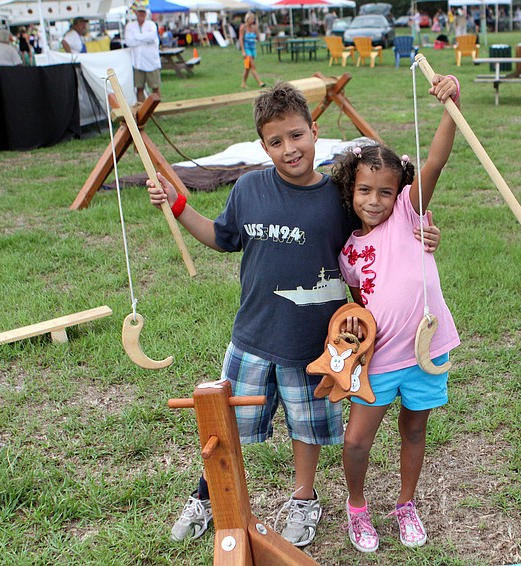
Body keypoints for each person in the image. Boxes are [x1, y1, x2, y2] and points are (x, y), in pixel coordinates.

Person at [145, 82, 441, 546]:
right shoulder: (248, 188)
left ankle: (304, 498)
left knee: (306, 429)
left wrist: (423, 231)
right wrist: (179, 204)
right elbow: (221, 237)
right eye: (276, 141)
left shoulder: (339, 199)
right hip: (252, 335)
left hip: (312, 342)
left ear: (315, 131)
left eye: (297, 135)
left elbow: (381, 222)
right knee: (228, 427)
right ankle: (206, 494)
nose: (289, 149)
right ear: (262, 146)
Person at [331, 74, 460, 554]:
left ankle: (406, 503)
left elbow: (436, 159)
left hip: (427, 349)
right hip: (379, 357)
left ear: (399, 192)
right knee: (357, 441)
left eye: (385, 192)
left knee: (415, 428)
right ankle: (357, 505)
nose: (374, 201)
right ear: (351, 191)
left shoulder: (410, 212)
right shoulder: (345, 247)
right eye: (365, 190)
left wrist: (452, 105)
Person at [125, 4, 161, 102]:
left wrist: (136, 37)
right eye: (139, 12)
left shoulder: (151, 25)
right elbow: (129, 42)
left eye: (143, 12)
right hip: (138, 63)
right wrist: (144, 38)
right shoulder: (130, 26)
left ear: (146, 14)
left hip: (152, 62)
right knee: (139, 88)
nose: (141, 14)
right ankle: (142, 111)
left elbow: (152, 37)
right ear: (136, 13)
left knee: (155, 87)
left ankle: (157, 110)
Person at [239, 12, 265, 89]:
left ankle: (243, 83)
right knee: (253, 66)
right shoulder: (243, 27)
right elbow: (240, 39)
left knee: (247, 67)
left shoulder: (254, 27)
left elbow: (258, 38)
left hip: (253, 48)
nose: (252, 21)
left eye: (253, 19)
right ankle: (260, 82)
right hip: (247, 49)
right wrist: (243, 51)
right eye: (251, 19)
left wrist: (257, 31)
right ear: (247, 19)